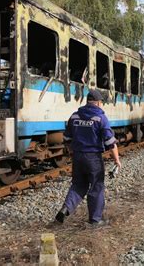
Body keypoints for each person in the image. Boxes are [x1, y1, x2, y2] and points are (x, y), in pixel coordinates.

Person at [55, 89, 121, 227]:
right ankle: (95, 220)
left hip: (78, 156)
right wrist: (117, 160)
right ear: (98, 102)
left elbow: (66, 138)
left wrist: (74, 149)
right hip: (93, 158)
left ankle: (65, 209)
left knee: (78, 184)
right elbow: (110, 142)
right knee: (96, 187)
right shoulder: (100, 118)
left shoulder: (74, 116)